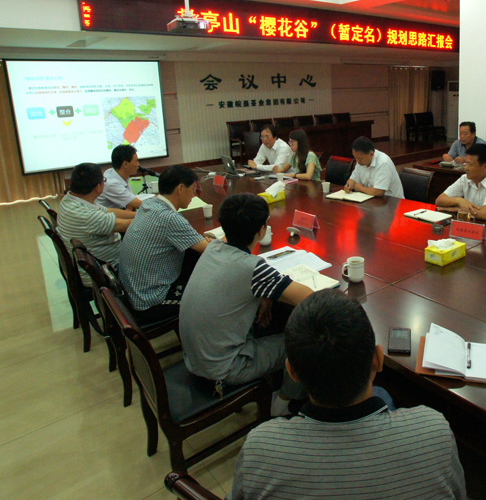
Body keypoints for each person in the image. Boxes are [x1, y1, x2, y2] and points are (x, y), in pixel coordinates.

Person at [229, 290, 467, 500]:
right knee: (382, 395)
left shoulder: (260, 449)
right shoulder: (433, 433)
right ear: (378, 360)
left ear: (291, 372)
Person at [180, 193, 313, 416]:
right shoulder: (253, 268)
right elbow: (308, 297)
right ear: (262, 230)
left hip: (196, 357)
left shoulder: (213, 247)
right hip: (226, 367)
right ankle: (283, 404)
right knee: (302, 344)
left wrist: (266, 295)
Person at [119, 165, 212, 324]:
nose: (194, 195)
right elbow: (210, 251)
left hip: (133, 289)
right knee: (213, 295)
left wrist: (201, 241)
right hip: (150, 301)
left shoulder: (150, 203)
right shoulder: (169, 218)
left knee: (192, 256)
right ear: (180, 189)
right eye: (193, 189)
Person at [57, 163, 135, 286]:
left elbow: (107, 211)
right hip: (107, 272)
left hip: (94, 264)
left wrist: (137, 214)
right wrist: (154, 216)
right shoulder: (88, 216)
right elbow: (127, 225)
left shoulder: (69, 200)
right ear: (98, 187)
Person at [435, 143, 486, 221]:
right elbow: (439, 200)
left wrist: (458, 209)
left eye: (470, 165)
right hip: (477, 223)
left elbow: (485, 214)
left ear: (485, 167)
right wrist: (459, 200)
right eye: (466, 163)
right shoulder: (465, 178)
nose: (466, 168)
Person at [96, 144, 143, 210]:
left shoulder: (118, 174)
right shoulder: (111, 183)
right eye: (136, 161)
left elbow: (131, 203)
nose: (138, 164)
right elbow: (140, 205)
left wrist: (130, 206)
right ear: (125, 164)